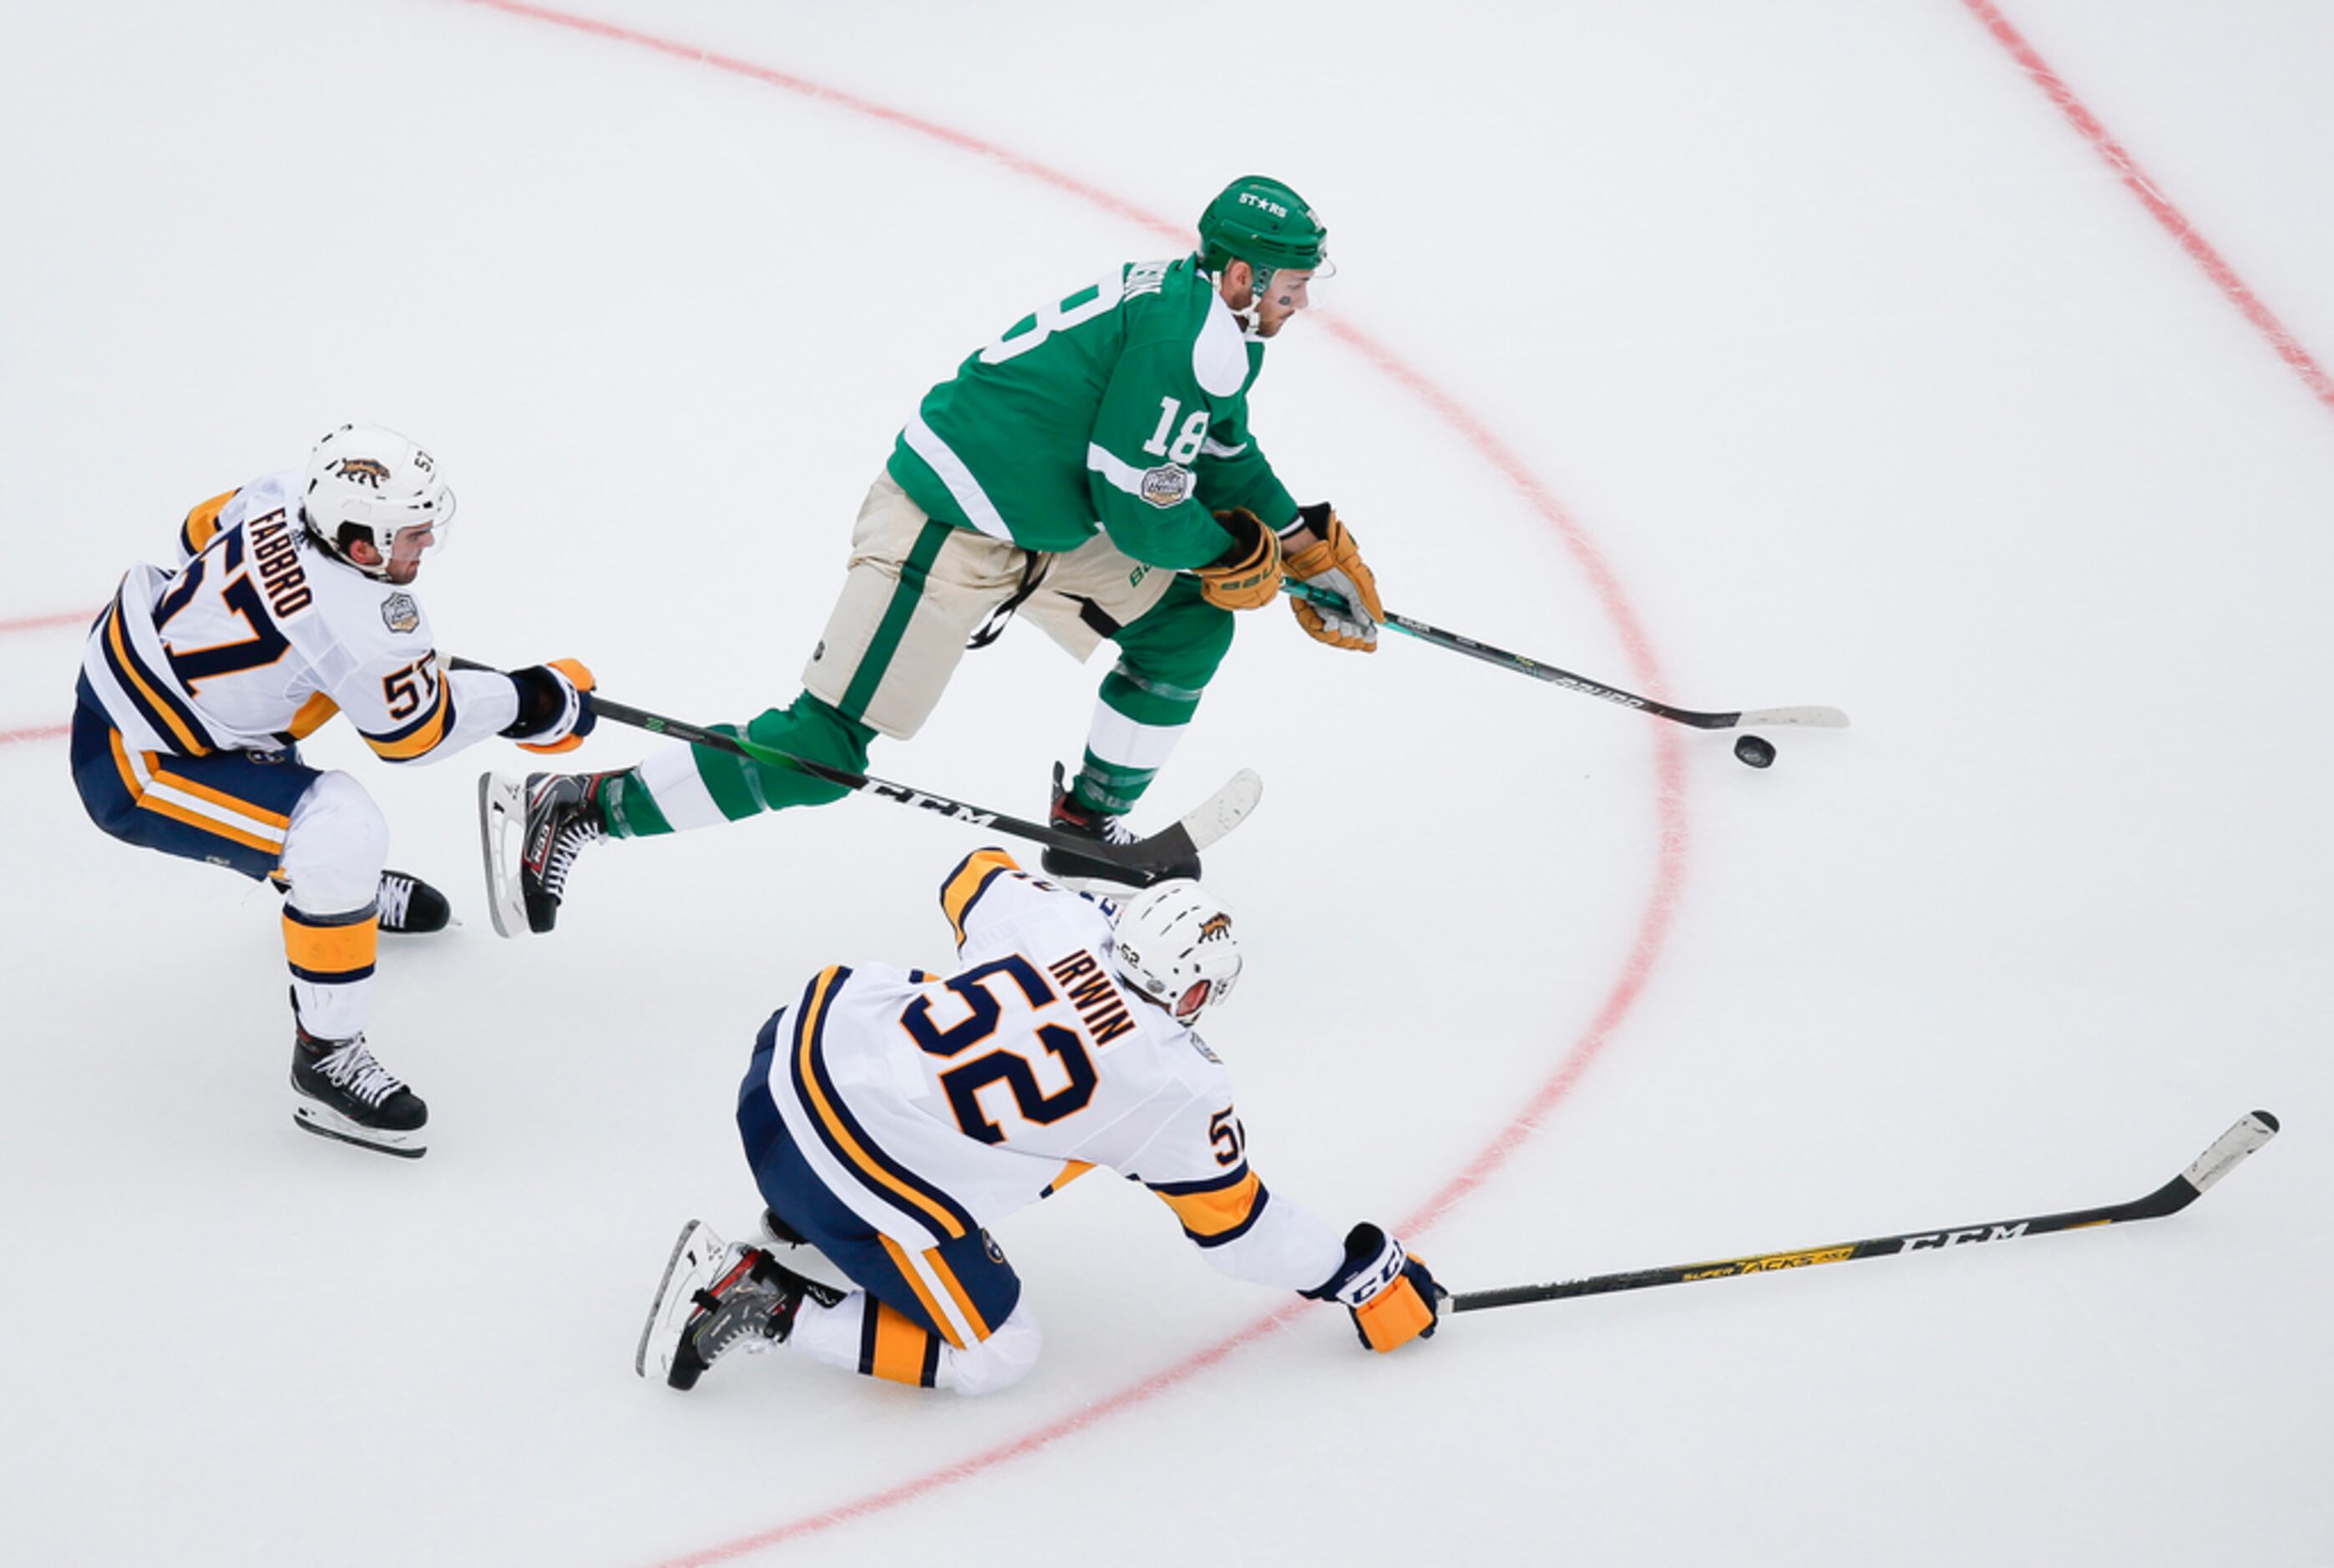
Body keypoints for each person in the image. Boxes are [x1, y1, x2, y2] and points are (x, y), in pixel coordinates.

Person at [484, 174, 1385, 938]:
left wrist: (1300, 546)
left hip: (1038, 527)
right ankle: (574, 807)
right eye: (1289, 285)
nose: (1298, 303)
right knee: (820, 753)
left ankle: (1084, 831)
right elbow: (1140, 510)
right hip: (944, 530)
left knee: (1185, 624)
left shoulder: (1210, 327)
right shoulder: (1179, 338)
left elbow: (1220, 451)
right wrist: (1231, 550)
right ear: (1239, 273)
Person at [635, 847, 1440, 1397]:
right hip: (839, 1180)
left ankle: (813, 1214)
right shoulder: (1174, 1086)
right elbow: (1240, 1231)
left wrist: (1090, 897)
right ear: (1198, 991)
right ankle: (755, 1300)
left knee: (952, 1004)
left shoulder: (1060, 922)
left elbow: (971, 873)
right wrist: (1359, 1274)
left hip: (781, 1063)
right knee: (998, 1355)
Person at [70, 424, 597, 1157]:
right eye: (412, 536)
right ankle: (325, 1058)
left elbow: (199, 526)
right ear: (359, 546)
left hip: (178, 706)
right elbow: (416, 735)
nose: (427, 547)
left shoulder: (288, 494)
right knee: (339, 830)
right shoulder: (369, 624)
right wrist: (534, 701)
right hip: (142, 761)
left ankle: (330, 899)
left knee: (321, 809)